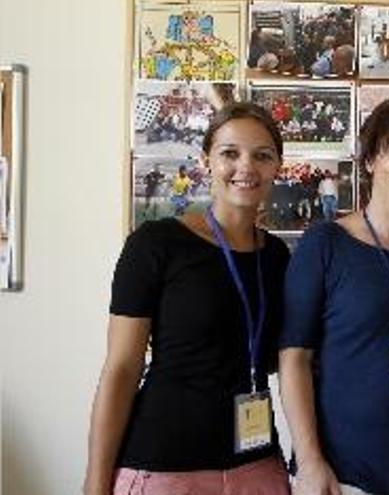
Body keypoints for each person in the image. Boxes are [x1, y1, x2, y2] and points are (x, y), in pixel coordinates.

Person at [83, 102, 291, 495]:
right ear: (206, 161)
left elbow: (280, 358)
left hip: (257, 464)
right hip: (167, 466)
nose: (246, 166)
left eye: (262, 155)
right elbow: (122, 369)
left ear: (277, 166)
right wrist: (96, 484)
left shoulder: (278, 257)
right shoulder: (156, 243)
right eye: (230, 153)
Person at [278, 98, 389, 495]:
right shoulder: (325, 243)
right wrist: (310, 462)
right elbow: (294, 357)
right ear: (369, 161)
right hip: (339, 471)